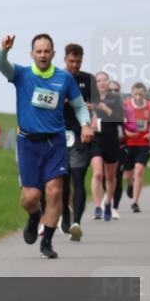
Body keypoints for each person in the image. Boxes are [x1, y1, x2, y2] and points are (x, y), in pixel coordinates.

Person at [0, 33, 92, 259]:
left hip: (55, 142)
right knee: (30, 198)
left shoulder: (64, 78)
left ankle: (46, 242)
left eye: (47, 51)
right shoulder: (22, 74)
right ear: (32, 54)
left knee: (55, 192)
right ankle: (34, 215)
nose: (43, 55)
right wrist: (4, 50)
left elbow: (79, 106)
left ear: (53, 54)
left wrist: (86, 124)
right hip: (28, 143)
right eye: (38, 51)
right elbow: (0, 64)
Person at [58, 43, 98, 238]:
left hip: (81, 135)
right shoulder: (57, 77)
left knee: (78, 178)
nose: (74, 65)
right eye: (71, 61)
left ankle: (77, 223)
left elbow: (97, 107)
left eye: (78, 62)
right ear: (65, 59)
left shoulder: (89, 79)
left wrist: (91, 114)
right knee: (63, 182)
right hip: (59, 135)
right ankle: (66, 214)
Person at [89, 71, 124, 225]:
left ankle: (108, 203)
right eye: (98, 80)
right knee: (97, 174)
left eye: (104, 80)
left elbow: (121, 120)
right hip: (95, 140)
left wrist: (106, 110)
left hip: (111, 140)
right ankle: (98, 207)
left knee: (110, 176)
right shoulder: (90, 98)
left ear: (108, 82)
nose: (102, 83)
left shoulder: (115, 98)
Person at [122, 82, 150, 213]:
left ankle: (135, 203)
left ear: (144, 94)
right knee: (127, 175)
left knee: (139, 170)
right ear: (132, 94)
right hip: (129, 143)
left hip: (144, 143)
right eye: (136, 94)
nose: (138, 97)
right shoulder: (126, 105)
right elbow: (121, 122)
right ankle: (130, 184)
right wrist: (127, 132)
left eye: (140, 95)